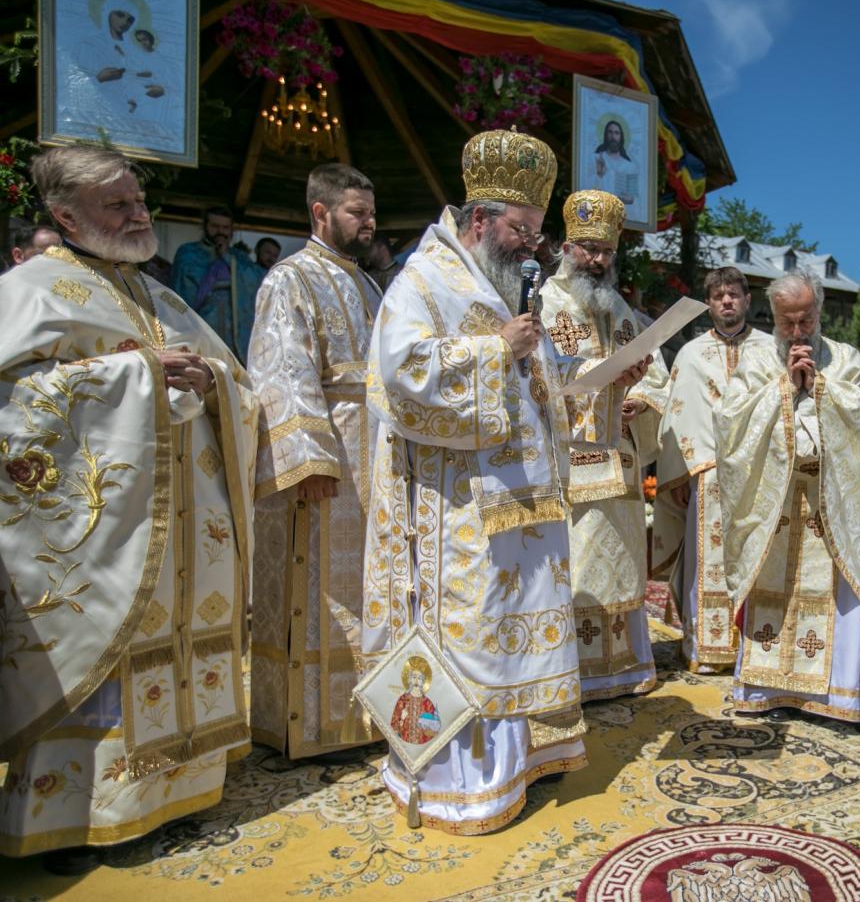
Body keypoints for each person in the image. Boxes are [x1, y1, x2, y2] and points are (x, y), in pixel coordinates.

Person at [362, 129, 649, 834]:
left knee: (511, 636)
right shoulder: (423, 279)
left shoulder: (497, 283)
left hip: (523, 504)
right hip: (456, 511)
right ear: (481, 219)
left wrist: (601, 384)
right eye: (521, 231)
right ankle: (459, 784)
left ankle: (516, 763)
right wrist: (497, 351)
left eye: (534, 233)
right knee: (472, 637)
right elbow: (397, 378)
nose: (532, 246)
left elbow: (541, 384)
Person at [0, 146, 256, 871]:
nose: (139, 213)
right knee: (100, 658)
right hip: (100, 539)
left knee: (175, 645)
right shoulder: (31, 288)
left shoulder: (154, 292)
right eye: (118, 205)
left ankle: (173, 793)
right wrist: (139, 374)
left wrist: (217, 384)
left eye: (138, 199)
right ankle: (71, 818)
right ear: (65, 216)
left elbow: (234, 379)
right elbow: (12, 406)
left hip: (183, 525)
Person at [247, 164, 383, 759]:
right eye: (358, 212)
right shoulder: (290, 279)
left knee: (370, 586)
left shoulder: (371, 285)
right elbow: (282, 370)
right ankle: (311, 728)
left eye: (371, 212)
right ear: (321, 213)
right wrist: (308, 459)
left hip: (378, 453)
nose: (370, 223)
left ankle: (369, 717)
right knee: (323, 583)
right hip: (329, 458)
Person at [717, 271, 860, 736]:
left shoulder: (846, 358)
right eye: (786, 322)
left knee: (837, 601)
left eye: (805, 320)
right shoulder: (755, 361)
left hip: (831, 502)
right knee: (776, 596)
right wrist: (783, 391)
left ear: (820, 312)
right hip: (778, 504)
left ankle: (840, 698)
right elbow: (730, 420)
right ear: (772, 317)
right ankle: (767, 692)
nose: (797, 332)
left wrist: (822, 389)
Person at [539, 189, 670, 701]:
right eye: (588, 248)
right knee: (582, 563)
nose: (597, 260)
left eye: (606, 251)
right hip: (572, 465)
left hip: (621, 457)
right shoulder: (545, 303)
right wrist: (604, 379)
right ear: (566, 247)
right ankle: (578, 674)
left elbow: (656, 377)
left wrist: (641, 396)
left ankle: (624, 669)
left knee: (622, 562)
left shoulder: (619, 308)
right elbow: (542, 379)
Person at [651, 266, 773, 671]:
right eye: (719, 296)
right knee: (708, 565)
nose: (726, 301)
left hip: (759, 476)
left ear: (747, 300)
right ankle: (708, 647)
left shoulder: (771, 350)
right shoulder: (690, 353)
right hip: (707, 479)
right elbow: (677, 418)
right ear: (708, 303)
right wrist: (681, 475)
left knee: (756, 559)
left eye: (734, 294)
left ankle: (756, 647)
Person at [170, 206, 262, 361]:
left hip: (235, 331)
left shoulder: (239, 257)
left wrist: (226, 257)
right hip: (202, 322)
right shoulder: (188, 252)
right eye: (215, 226)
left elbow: (255, 282)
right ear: (205, 226)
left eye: (225, 227)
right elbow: (180, 289)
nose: (220, 231)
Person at [588, 119, 638, 211]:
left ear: (621, 137)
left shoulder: (630, 166)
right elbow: (586, 189)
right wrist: (599, 175)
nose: (613, 136)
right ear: (606, 135)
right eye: (610, 132)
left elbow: (631, 199)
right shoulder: (596, 158)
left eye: (616, 133)